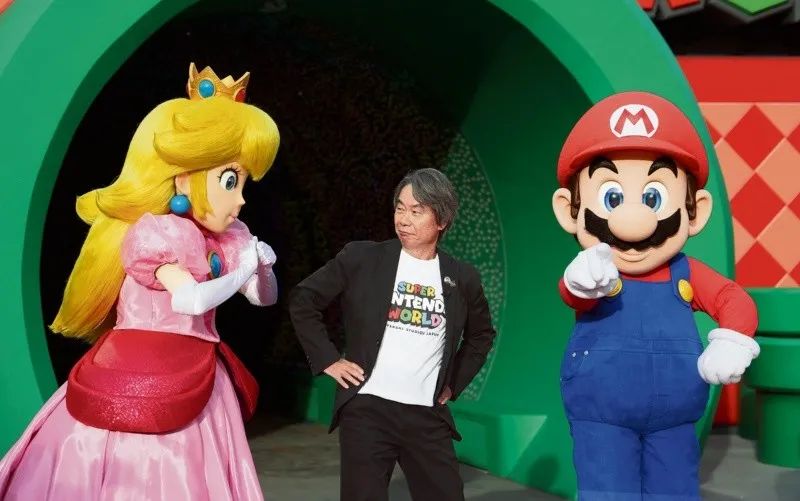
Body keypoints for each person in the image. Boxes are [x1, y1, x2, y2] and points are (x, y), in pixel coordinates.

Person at [0, 63, 280, 501]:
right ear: (184, 179)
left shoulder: (227, 239)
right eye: (230, 180)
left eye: (243, 182)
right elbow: (189, 301)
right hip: (136, 368)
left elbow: (263, 299)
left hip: (199, 373)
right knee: (118, 468)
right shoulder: (157, 234)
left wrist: (260, 267)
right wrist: (243, 270)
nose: (241, 198)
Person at [552, 91, 759, 500]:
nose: (633, 221)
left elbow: (732, 299)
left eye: (653, 198)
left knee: (674, 490)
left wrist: (733, 340)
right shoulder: (594, 270)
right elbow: (575, 294)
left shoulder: (687, 272)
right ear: (569, 210)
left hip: (675, 415)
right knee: (608, 490)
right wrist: (580, 282)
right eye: (612, 198)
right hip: (602, 413)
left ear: (695, 211)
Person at [290, 168, 496, 501]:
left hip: (426, 414)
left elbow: (481, 336)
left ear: (442, 220)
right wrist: (328, 359)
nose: (403, 219)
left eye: (416, 211)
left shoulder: (462, 278)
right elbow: (304, 299)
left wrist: (453, 383)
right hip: (367, 409)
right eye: (400, 208)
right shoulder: (363, 258)